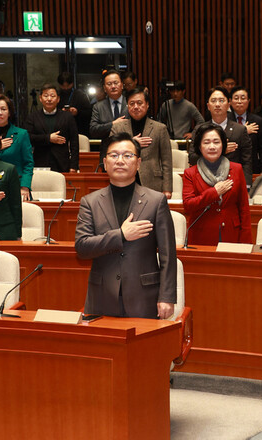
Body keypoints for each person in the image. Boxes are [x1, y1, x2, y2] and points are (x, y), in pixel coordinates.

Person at [74, 133, 177, 319]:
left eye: (127, 156)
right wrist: (120, 235)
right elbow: (82, 247)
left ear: (138, 163)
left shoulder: (156, 201)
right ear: (105, 163)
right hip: (101, 297)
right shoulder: (90, 201)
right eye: (114, 155)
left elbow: (168, 255)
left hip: (144, 296)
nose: (120, 160)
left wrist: (167, 296)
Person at [182, 122, 251, 245]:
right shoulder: (190, 173)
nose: (212, 147)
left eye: (216, 142)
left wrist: (246, 243)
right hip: (201, 237)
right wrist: (214, 192)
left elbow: (244, 209)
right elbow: (188, 206)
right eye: (206, 142)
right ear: (199, 146)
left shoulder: (236, 169)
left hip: (231, 235)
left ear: (223, 145)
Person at [111, 87, 173, 197]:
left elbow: (166, 161)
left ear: (147, 105)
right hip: (124, 180)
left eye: (139, 103)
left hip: (152, 182)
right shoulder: (118, 127)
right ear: (127, 106)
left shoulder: (160, 128)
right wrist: (131, 142)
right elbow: (109, 149)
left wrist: (167, 188)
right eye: (132, 103)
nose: (136, 107)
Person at [189, 86, 252, 187]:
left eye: (221, 100)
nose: (217, 104)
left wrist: (246, 186)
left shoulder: (240, 130)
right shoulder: (199, 129)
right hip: (204, 180)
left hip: (233, 182)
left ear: (228, 105)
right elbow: (192, 158)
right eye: (213, 101)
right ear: (208, 106)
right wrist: (222, 150)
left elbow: (247, 161)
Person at [0, 94, 35, 201]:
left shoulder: (21, 134)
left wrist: (25, 187)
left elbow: (28, 164)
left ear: (9, 112)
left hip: (16, 185)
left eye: (3, 109)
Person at [25, 83, 79, 173]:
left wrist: (74, 165)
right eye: (46, 96)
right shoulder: (33, 117)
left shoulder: (67, 117)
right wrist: (48, 138)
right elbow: (28, 138)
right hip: (40, 162)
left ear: (58, 99)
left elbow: (74, 142)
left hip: (62, 163)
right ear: (40, 98)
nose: (49, 99)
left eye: (52, 96)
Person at [230, 86, 262, 173]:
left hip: (252, 168)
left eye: (243, 98)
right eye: (236, 98)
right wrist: (243, 131)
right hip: (230, 167)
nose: (239, 101)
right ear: (230, 101)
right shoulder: (225, 120)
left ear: (248, 101)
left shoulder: (257, 121)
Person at [90, 69, 127, 139]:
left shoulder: (131, 103)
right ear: (104, 88)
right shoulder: (98, 106)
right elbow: (93, 130)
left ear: (122, 85)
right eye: (109, 84)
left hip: (129, 146)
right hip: (107, 147)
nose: (113, 86)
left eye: (116, 83)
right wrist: (113, 124)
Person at [57, 72, 93, 137]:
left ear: (72, 84)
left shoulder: (81, 95)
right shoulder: (57, 95)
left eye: (68, 86)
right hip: (61, 130)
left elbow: (89, 113)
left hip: (79, 129)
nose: (65, 88)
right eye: (63, 86)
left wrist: (77, 112)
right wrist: (60, 112)